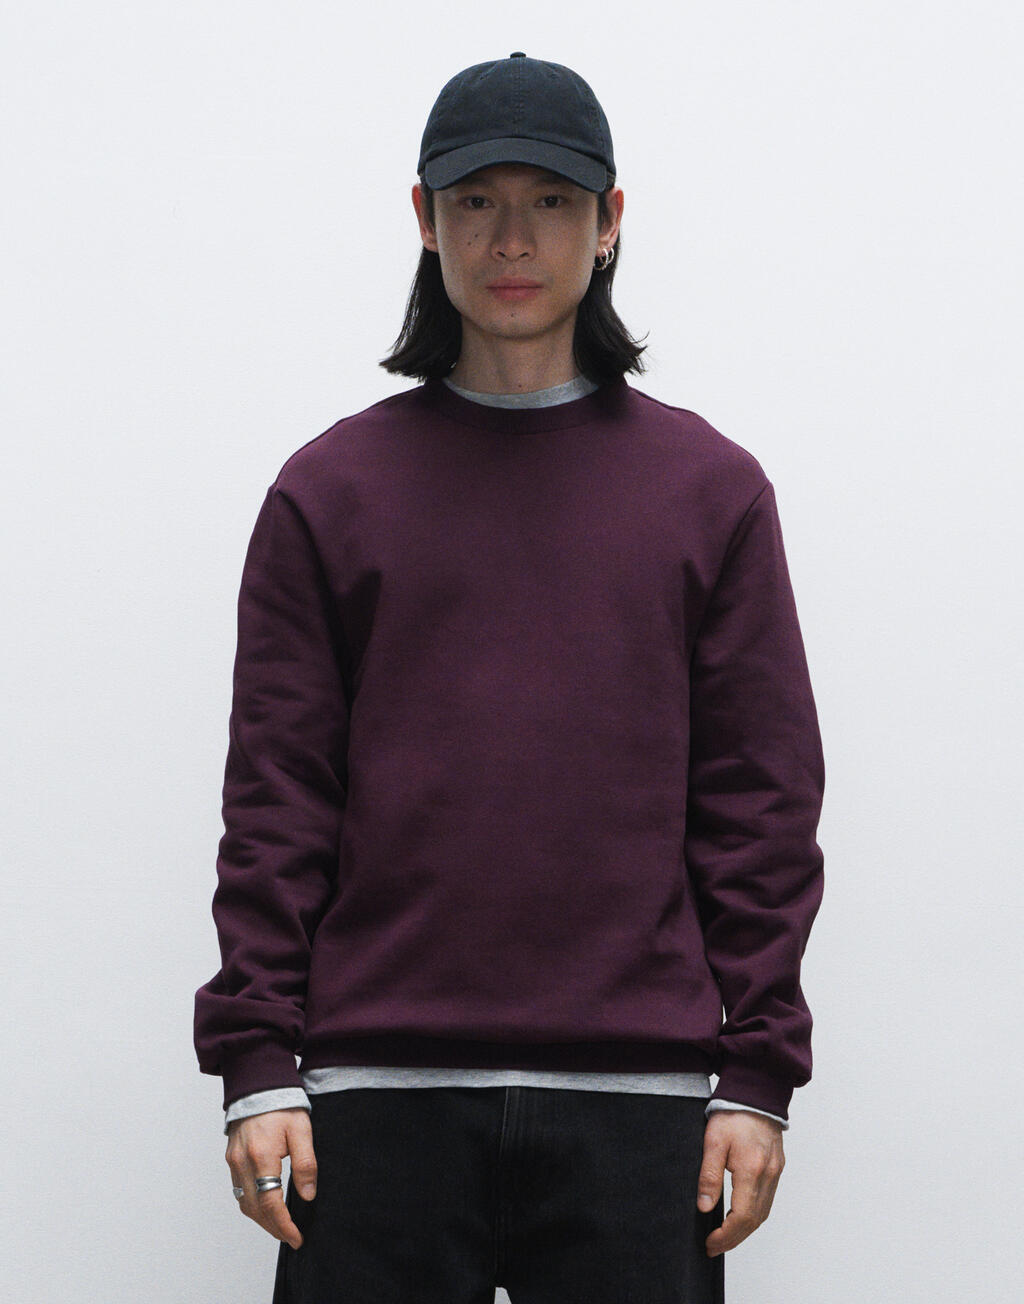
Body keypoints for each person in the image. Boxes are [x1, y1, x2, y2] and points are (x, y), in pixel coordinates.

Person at [194, 51, 825, 1304]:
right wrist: (257, 1061)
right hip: (374, 1100)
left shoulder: (709, 492)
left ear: (610, 221)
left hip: (638, 1106)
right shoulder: (330, 492)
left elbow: (759, 803)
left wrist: (757, 1074)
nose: (513, 237)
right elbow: (277, 797)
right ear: (425, 221)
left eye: (551, 199)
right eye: (476, 200)